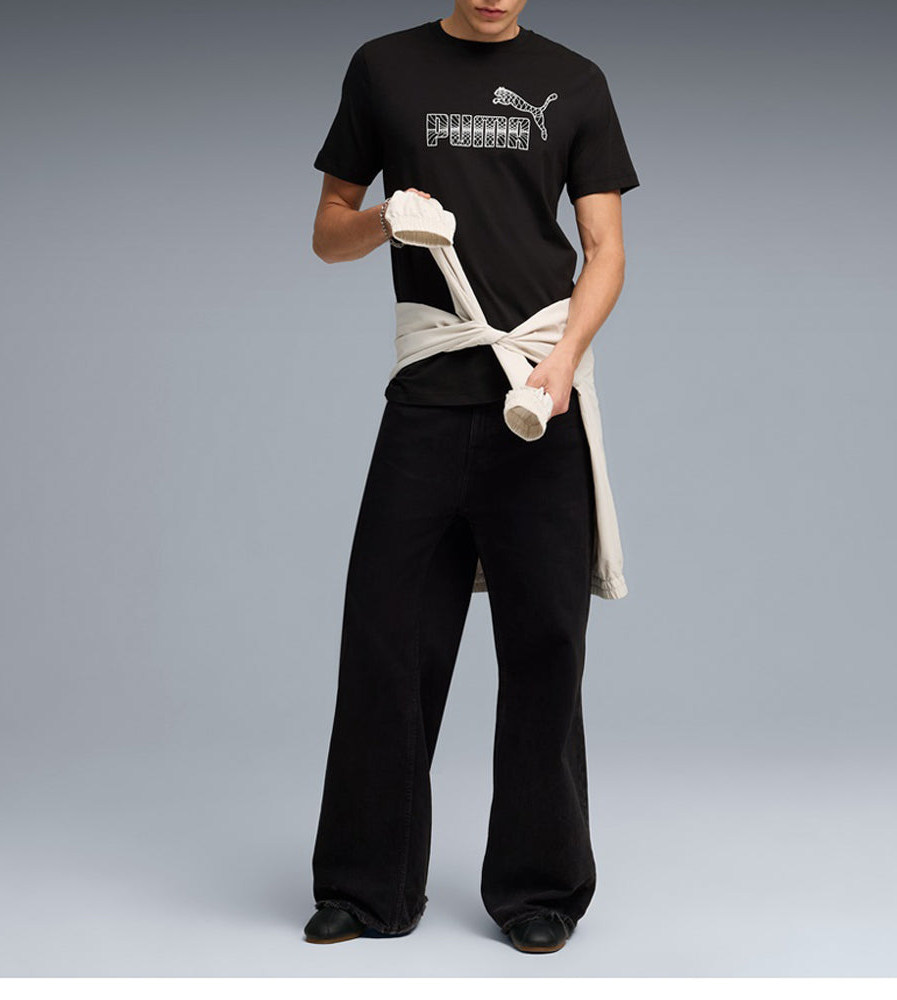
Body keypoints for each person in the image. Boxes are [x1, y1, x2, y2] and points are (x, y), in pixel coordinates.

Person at [304, 0, 639, 954]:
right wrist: (384, 220)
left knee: (545, 647)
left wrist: (563, 362)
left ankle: (540, 889)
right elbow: (327, 232)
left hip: (536, 392)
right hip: (427, 395)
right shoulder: (383, 68)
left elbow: (606, 251)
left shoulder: (575, 81)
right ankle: (366, 887)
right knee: (386, 641)